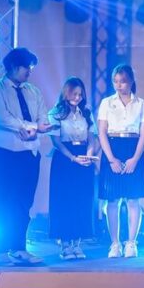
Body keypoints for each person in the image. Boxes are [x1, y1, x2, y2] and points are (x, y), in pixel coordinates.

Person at [0, 47, 52, 267]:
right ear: (14, 67)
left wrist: (37, 128)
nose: (29, 72)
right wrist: (30, 126)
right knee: (3, 202)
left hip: (29, 153)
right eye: (27, 67)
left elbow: (43, 117)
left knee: (24, 203)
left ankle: (19, 248)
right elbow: (0, 117)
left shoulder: (33, 91)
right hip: (3, 154)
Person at [97, 64, 144, 259]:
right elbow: (102, 132)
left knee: (133, 199)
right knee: (112, 200)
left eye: (123, 81)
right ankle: (115, 243)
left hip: (133, 148)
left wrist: (135, 159)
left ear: (131, 81)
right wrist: (111, 159)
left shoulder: (141, 104)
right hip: (112, 148)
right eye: (116, 81)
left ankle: (131, 243)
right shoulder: (106, 103)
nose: (119, 85)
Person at [48, 77, 98, 261]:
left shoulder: (86, 112)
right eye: (74, 94)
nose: (77, 98)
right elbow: (56, 141)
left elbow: (91, 137)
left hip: (83, 157)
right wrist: (72, 158)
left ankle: (77, 243)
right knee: (64, 200)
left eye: (80, 94)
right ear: (66, 93)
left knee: (82, 199)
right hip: (64, 159)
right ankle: (65, 244)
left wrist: (89, 155)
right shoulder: (55, 113)